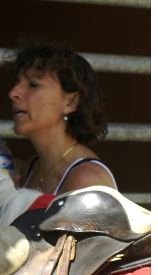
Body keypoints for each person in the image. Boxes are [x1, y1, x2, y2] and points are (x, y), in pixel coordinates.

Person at [7, 45, 117, 195]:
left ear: (70, 102)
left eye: (33, 84)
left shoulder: (87, 179)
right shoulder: (30, 169)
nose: (13, 93)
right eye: (16, 83)